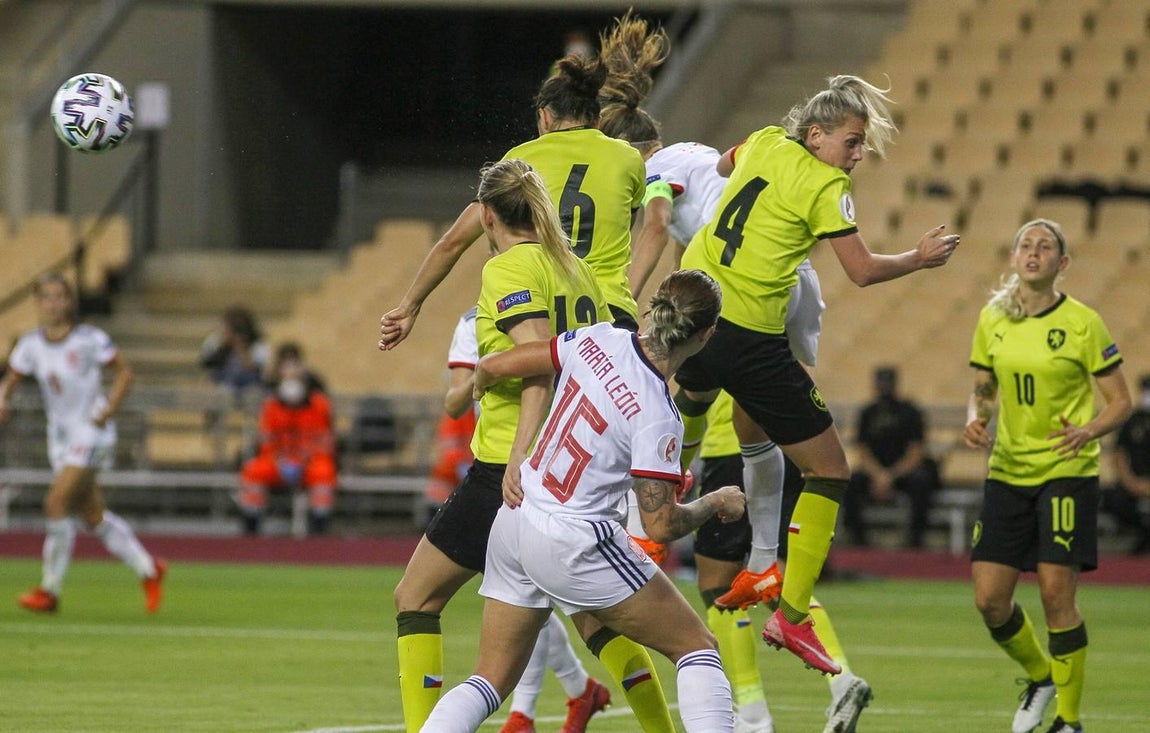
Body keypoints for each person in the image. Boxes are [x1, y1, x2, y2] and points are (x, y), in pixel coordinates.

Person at [385, 53, 677, 732]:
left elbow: (531, 358)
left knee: (418, 597)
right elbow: (657, 225)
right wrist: (625, 305)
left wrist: (411, 305)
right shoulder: (615, 183)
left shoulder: (516, 220)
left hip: (515, 458)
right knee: (590, 610)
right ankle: (660, 722)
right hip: (600, 373)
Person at [667, 74, 959, 674]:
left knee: (703, 400)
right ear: (817, 135)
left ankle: (672, 500)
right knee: (829, 470)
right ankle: (793, 617)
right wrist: (920, 259)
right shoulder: (827, 184)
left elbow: (723, 169)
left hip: (698, 307)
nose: (856, 157)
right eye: (851, 143)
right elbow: (861, 271)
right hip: (749, 331)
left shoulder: (768, 139)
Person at [420, 269, 746, 733]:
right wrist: (716, 502)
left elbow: (501, 365)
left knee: (488, 680)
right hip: (573, 540)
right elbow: (660, 526)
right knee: (696, 647)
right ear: (706, 334)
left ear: (652, 308)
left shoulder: (600, 337)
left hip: (517, 516)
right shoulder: (658, 413)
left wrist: (498, 411)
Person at [963, 219, 1131, 733]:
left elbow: (1120, 402)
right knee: (990, 600)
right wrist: (977, 416)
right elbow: (983, 385)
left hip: (1066, 472)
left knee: (1057, 595)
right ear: (1014, 258)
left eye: (1046, 247)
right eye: (1025, 245)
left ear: (1062, 265)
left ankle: (1069, 720)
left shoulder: (1083, 323)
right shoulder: (994, 318)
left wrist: (1087, 432)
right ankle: (1040, 676)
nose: (1033, 252)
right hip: (1007, 472)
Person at [378, 43, 646, 351]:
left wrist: (410, 305)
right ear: (597, 121)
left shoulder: (519, 160)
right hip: (609, 315)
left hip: (544, 311)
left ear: (544, 117)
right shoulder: (628, 159)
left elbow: (451, 242)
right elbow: (627, 224)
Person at [434, 307, 612, 733]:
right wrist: (484, 376)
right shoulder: (470, 324)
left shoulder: (556, 309)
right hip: (498, 469)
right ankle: (567, 694)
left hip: (552, 470)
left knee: (531, 594)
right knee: (523, 593)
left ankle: (530, 711)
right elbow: (455, 402)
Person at [0, 273, 166, 614]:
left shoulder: (89, 339)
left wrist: (109, 410)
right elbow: (12, 378)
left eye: (59, 296)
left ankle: (50, 591)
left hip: (90, 432)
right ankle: (149, 569)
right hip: (59, 438)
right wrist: (3, 398)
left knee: (56, 502)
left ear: (69, 301)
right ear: (38, 303)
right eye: (45, 297)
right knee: (91, 514)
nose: (52, 303)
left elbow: (125, 373)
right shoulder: (31, 344)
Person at [237, 342, 336, 536]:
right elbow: (266, 440)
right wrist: (281, 459)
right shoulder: (272, 406)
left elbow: (325, 441)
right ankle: (250, 530)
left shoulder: (319, 405)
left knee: (324, 473)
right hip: (278, 461)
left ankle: (319, 531)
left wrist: (304, 458)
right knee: (253, 471)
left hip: (310, 461)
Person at [841, 366, 941, 549]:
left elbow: (916, 451)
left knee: (922, 482)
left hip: (903, 473)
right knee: (850, 483)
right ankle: (857, 539)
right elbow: (862, 450)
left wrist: (890, 476)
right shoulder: (868, 413)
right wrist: (878, 475)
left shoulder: (910, 412)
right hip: (875, 473)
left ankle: (915, 539)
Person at [1101, 373, 1150, 555]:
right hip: (1133, 485)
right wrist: (1131, 483)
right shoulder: (1133, 421)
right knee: (1114, 499)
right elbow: (1119, 454)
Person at [200, 305, 269, 397]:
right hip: (222, 382)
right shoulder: (215, 340)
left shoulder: (257, 344)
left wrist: (241, 347)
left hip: (249, 385)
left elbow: (259, 370)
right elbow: (206, 364)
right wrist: (223, 346)